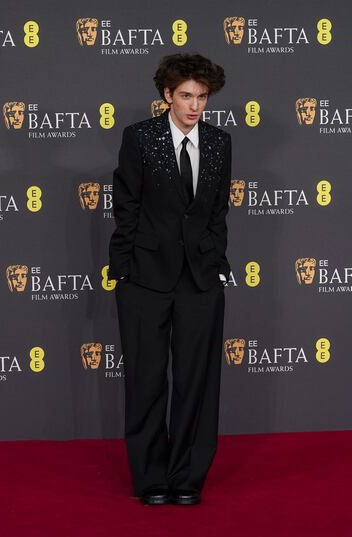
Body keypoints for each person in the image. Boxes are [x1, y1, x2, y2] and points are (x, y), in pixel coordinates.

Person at [108, 53, 232, 505]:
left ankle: (187, 477)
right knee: (146, 380)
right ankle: (151, 478)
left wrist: (216, 259)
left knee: (196, 382)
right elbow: (127, 207)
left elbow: (218, 210)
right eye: (185, 96)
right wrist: (121, 269)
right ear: (167, 95)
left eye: (202, 97)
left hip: (200, 280)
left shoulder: (220, 142)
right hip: (144, 278)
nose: (194, 105)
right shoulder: (139, 138)